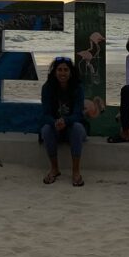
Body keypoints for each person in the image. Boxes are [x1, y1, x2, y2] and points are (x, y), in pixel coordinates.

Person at [40, 56, 87, 186]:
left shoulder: (78, 88)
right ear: (54, 72)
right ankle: (54, 169)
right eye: (59, 69)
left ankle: (76, 172)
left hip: (73, 127)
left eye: (66, 70)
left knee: (77, 128)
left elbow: (78, 114)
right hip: (56, 128)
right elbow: (45, 114)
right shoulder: (47, 88)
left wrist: (65, 121)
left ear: (71, 72)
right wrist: (55, 123)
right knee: (46, 130)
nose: (62, 73)